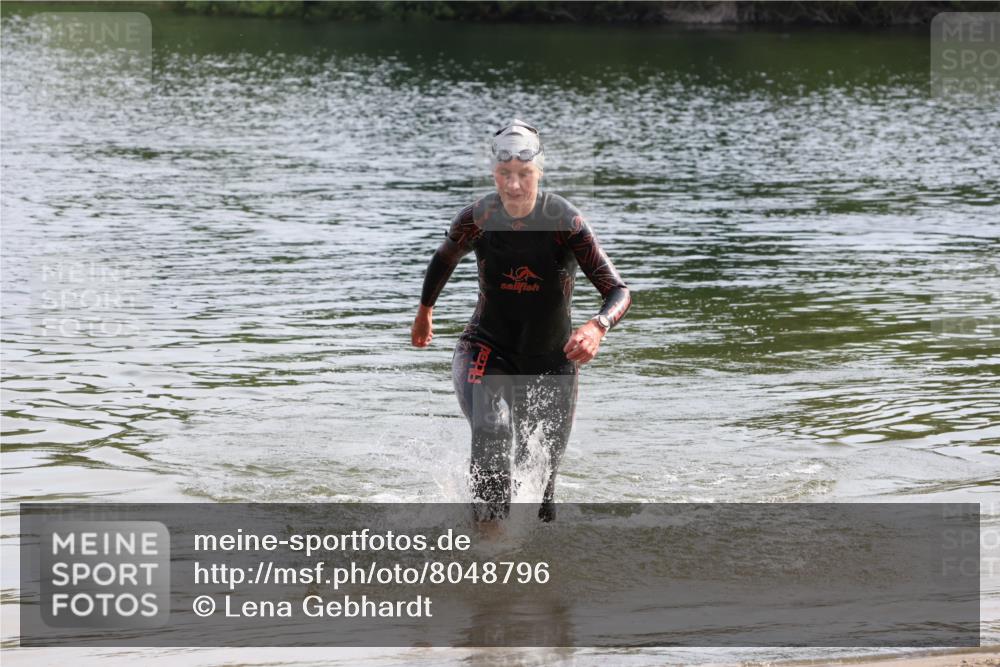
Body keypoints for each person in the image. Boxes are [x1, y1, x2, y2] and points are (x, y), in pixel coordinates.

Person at [411, 120, 631, 531]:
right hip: (486, 348)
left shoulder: (565, 222)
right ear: (493, 173)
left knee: (543, 485)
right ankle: (489, 542)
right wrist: (426, 310)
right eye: (504, 174)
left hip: (552, 360)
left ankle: (528, 556)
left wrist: (597, 327)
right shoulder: (477, 218)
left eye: (524, 174)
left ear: (539, 172)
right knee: (492, 429)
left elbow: (618, 290)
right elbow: (444, 257)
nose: (513, 185)